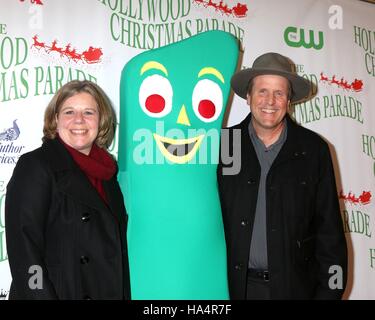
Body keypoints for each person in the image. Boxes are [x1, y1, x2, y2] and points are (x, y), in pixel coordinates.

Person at [217, 52, 347, 299]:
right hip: (232, 291)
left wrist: (330, 294)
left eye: (279, 93)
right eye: (262, 91)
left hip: (294, 291)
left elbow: (330, 234)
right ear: (248, 96)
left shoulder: (313, 150)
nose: (270, 101)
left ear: (289, 100)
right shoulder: (225, 145)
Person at [5, 80, 131, 300]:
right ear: (56, 119)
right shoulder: (36, 165)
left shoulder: (109, 173)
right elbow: (25, 253)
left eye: (89, 112)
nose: (79, 120)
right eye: (69, 112)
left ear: (101, 120)